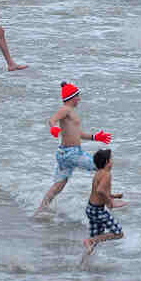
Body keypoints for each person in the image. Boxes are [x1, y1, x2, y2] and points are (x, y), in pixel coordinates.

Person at [35, 81, 112, 214]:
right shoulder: (66, 109)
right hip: (72, 153)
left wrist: (95, 137)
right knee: (103, 167)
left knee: (59, 184)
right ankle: (106, 200)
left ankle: (41, 209)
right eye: (78, 96)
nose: (79, 99)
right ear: (72, 97)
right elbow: (52, 120)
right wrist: (53, 128)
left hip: (65, 153)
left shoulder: (71, 112)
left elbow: (78, 134)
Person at [81, 148, 127, 261]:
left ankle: (83, 263)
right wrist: (111, 202)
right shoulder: (107, 174)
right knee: (118, 234)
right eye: (112, 159)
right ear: (107, 162)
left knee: (96, 239)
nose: (113, 161)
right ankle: (90, 241)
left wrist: (114, 196)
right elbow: (100, 190)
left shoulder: (98, 173)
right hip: (98, 211)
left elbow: (100, 191)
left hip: (91, 208)